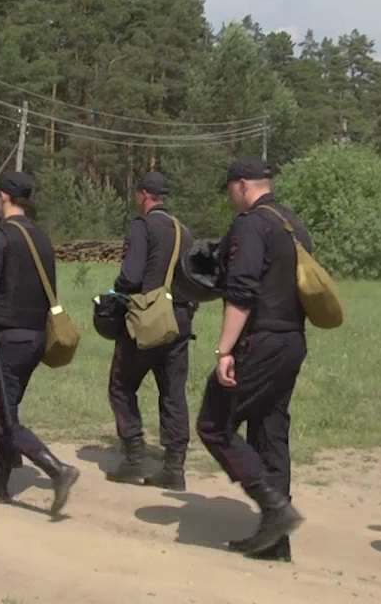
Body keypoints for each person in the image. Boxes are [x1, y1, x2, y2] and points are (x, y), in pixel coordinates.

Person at [196, 156, 308, 562]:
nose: (229, 196)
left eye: (229, 188)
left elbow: (241, 292)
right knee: (269, 431)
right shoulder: (291, 222)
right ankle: (274, 543)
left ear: (241, 184)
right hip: (291, 339)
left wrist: (225, 349)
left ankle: (275, 509)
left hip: (258, 342)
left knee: (213, 424)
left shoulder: (251, 224)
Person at [0, 172, 79, 516]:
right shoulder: (40, 237)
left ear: (3, 197)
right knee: (5, 408)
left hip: (4, 338)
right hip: (36, 337)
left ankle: (57, 470)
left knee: (4, 417)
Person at [107, 172, 195, 491]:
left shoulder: (143, 226)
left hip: (148, 319)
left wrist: (114, 293)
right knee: (173, 392)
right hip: (181, 318)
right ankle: (174, 467)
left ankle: (133, 457)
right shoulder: (184, 231)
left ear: (144, 195)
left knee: (120, 384)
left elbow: (130, 276)